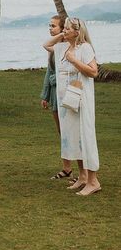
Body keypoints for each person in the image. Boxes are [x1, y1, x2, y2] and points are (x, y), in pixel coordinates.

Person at [43, 16, 101, 196]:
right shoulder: (61, 48)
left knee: (85, 138)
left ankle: (93, 181)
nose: (65, 31)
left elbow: (93, 72)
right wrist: (63, 34)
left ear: (78, 31)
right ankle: (82, 177)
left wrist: (74, 60)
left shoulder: (85, 48)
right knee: (73, 139)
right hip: (66, 104)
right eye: (64, 28)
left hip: (81, 101)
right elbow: (46, 45)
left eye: (68, 29)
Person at [40, 14, 73, 180]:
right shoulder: (54, 48)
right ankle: (67, 167)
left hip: (67, 92)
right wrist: (45, 95)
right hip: (54, 93)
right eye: (49, 25)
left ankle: (83, 171)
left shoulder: (68, 47)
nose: (50, 28)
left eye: (53, 26)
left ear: (62, 29)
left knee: (72, 130)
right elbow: (49, 72)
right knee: (62, 131)